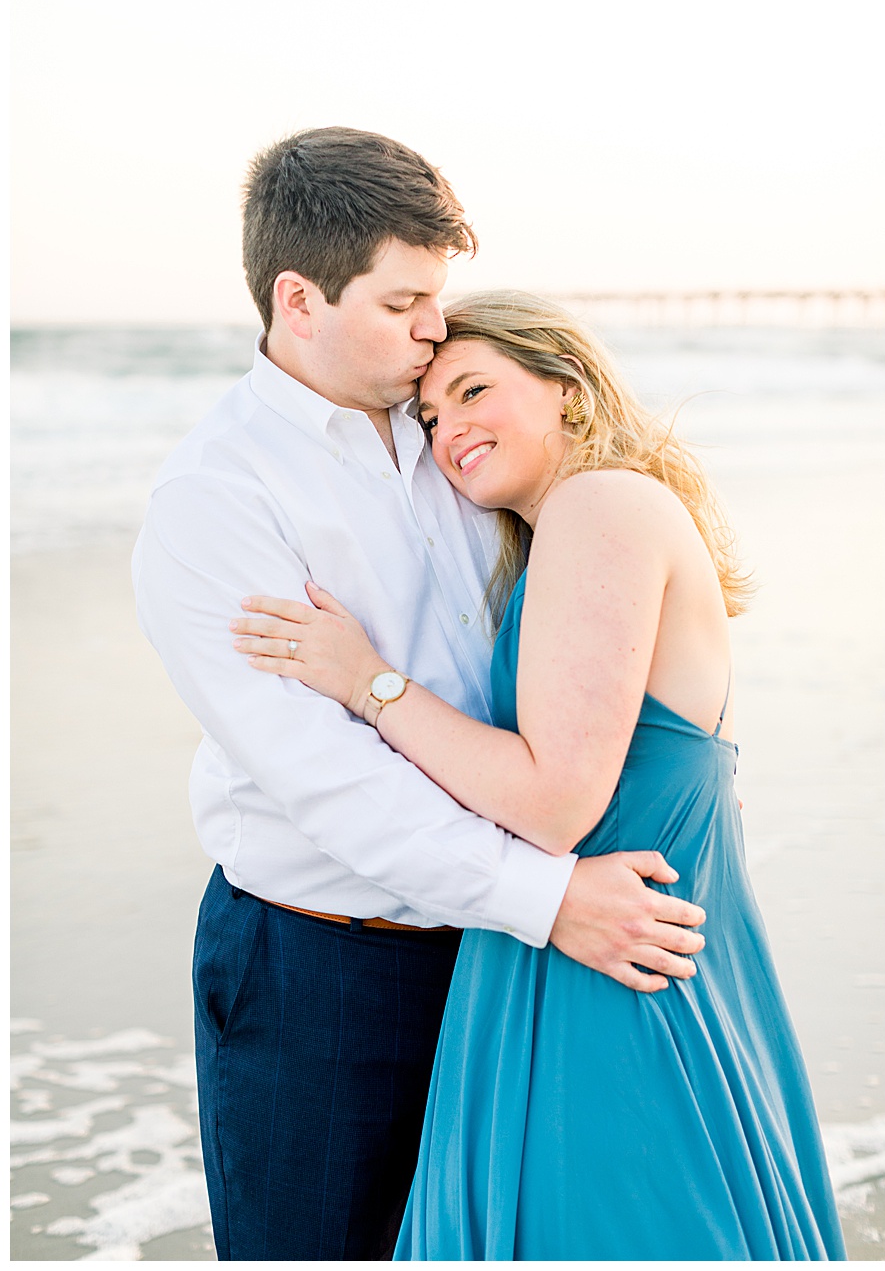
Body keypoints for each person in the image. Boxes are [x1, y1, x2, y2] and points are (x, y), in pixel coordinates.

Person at [132, 128, 710, 1261]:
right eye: (404, 304)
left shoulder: (458, 434)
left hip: (504, 954)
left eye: (436, 300)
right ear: (299, 300)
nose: (433, 329)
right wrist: (548, 900)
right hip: (326, 968)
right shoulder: (216, 499)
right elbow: (331, 784)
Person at [231, 290, 845, 1259]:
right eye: (430, 417)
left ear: (566, 385)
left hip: (611, 970)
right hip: (595, 942)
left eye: (475, 390)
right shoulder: (576, 526)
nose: (451, 430)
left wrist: (366, 680)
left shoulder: (600, 506)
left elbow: (555, 802)